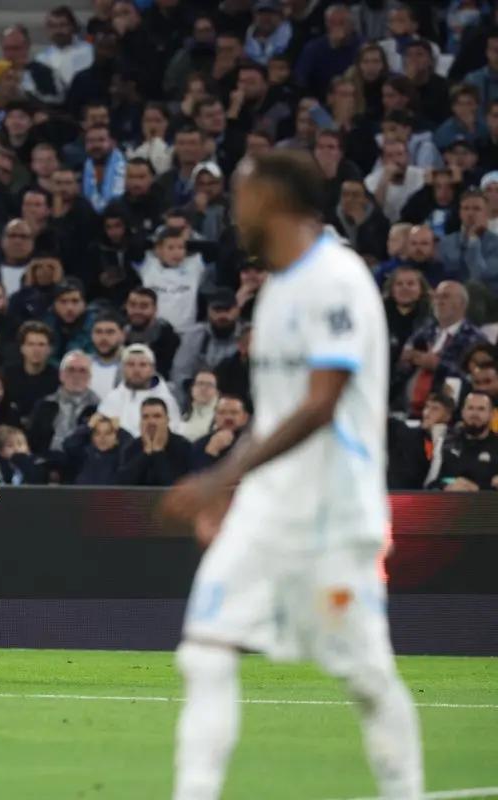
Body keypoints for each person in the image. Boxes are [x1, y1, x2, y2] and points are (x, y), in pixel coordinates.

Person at [161, 151, 424, 800]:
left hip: (335, 512)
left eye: (241, 195)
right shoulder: (275, 288)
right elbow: (276, 413)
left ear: (274, 200)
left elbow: (321, 403)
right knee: (204, 650)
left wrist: (221, 479)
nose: (232, 209)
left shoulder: (335, 280)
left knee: (365, 675)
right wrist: (236, 486)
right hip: (268, 511)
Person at [397, 281, 487, 416]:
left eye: (445, 297)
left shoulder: (475, 339)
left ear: (462, 304)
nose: (439, 301)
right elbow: (402, 364)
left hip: (450, 412)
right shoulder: (425, 331)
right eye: (436, 297)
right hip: (405, 409)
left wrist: (438, 365)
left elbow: (477, 380)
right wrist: (405, 360)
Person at [99, 344, 181, 437]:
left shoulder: (166, 401)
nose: (136, 370)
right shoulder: (112, 398)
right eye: (131, 365)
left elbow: (173, 432)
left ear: (152, 369)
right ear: (123, 369)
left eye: (143, 365)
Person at [27, 351, 99, 457]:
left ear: (90, 377)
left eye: (82, 371)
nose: (76, 375)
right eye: (71, 370)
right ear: (61, 375)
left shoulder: (99, 409)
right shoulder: (44, 405)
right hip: (47, 463)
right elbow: (32, 441)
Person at [172, 291, 241, 390]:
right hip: (200, 393)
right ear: (208, 311)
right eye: (217, 310)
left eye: (227, 310)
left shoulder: (249, 335)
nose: (222, 315)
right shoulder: (194, 335)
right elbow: (180, 373)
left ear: (237, 310)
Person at [114, 398, 191, 486]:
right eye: (145, 417)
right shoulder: (131, 448)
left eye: (157, 416)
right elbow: (122, 486)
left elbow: (174, 487)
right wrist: (146, 454)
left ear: (167, 420)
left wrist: (158, 452)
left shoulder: (184, 447)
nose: (151, 422)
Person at [437, 189, 498, 293]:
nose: (470, 213)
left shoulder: (496, 243)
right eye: (466, 208)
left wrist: (473, 241)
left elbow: (479, 275)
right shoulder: (447, 242)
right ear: (460, 213)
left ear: (487, 212)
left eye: (476, 209)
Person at [436, 392, 498, 491]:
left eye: (481, 409)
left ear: (492, 414)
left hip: (486, 504)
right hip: (449, 502)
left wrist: (478, 489)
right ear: (463, 412)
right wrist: (446, 487)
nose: (474, 414)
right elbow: (432, 482)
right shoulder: (445, 442)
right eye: (470, 408)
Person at [3, 320, 59, 420]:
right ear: (22, 348)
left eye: (41, 344)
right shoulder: (8, 376)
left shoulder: (58, 378)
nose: (36, 349)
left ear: (50, 349)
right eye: (31, 344)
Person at [124, 287, 181, 379]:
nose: (137, 311)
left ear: (155, 309)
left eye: (144, 306)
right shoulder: (118, 334)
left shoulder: (168, 337)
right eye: (132, 305)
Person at [190, 394, 250, 470]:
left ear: (244, 418)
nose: (228, 417)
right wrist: (211, 451)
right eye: (222, 412)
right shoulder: (200, 445)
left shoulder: (254, 443)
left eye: (234, 412)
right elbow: (197, 476)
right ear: (215, 417)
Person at [85, 312, 124, 401]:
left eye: (110, 332)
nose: (103, 338)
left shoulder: (135, 365)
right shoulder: (82, 364)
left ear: (122, 335)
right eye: (98, 332)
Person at [177, 369, 219, 442]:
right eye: (200, 383)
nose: (204, 388)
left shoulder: (220, 417)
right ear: (192, 389)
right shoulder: (185, 415)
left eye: (209, 385)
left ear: (217, 391)